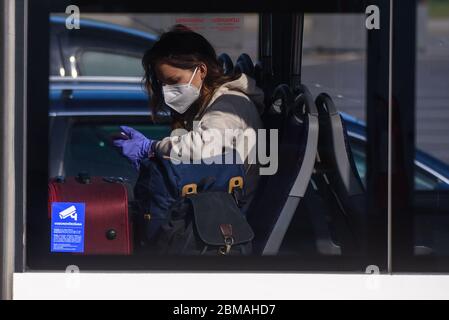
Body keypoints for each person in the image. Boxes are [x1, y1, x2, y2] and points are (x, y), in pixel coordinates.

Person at [113, 25, 264, 208]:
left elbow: (202, 148)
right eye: (163, 84)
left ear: (201, 70)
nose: (167, 90)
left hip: (231, 217)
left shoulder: (230, 105)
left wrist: (151, 147)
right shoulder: (204, 105)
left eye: (174, 81)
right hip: (215, 208)